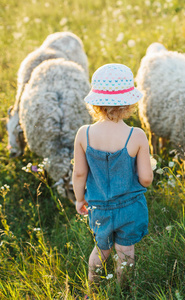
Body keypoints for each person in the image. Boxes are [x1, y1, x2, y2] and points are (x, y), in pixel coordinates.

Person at [72, 63, 153, 284]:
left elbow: (79, 173)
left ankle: (94, 287)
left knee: (101, 250)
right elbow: (146, 178)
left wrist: (80, 199)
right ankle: (122, 291)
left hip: (99, 208)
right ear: (129, 103)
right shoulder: (136, 136)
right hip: (130, 207)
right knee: (126, 252)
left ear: (96, 103)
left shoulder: (84, 134)